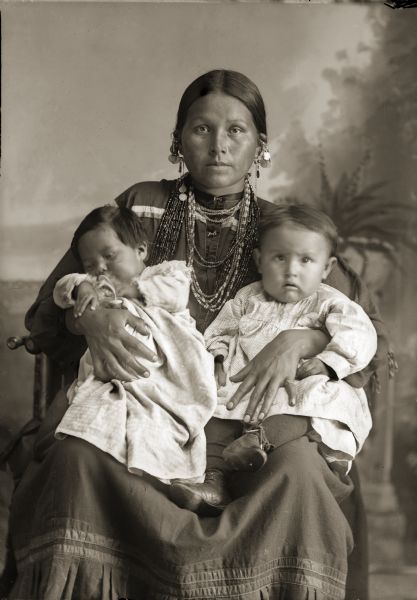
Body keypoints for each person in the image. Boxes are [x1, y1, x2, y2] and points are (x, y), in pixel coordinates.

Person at [7, 69, 388, 600]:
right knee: (77, 457)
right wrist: (89, 318)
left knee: (300, 471)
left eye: (237, 131)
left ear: (260, 146)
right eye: (201, 129)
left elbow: (361, 332)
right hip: (149, 401)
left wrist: (301, 341)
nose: (219, 146)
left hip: (253, 413)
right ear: (178, 139)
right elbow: (56, 306)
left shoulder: (289, 231)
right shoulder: (140, 206)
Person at [171, 204, 376, 507]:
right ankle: (213, 480)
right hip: (247, 381)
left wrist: (327, 362)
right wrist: (216, 357)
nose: (292, 270)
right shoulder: (246, 299)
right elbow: (221, 331)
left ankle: (261, 440)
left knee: (306, 403)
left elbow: (359, 334)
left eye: (306, 260)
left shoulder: (329, 302)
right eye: (280, 257)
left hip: (300, 381)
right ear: (260, 261)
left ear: (326, 268)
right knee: (213, 412)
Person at [52, 205, 217, 484]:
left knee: (160, 415)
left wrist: (135, 290)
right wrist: (82, 286)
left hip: (169, 364)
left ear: (140, 251)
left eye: (109, 256)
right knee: (105, 409)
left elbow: (177, 293)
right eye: (90, 265)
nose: (100, 268)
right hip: (116, 369)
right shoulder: (97, 290)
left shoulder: (162, 274)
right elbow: (61, 289)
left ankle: (170, 473)